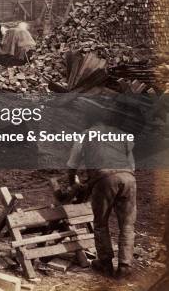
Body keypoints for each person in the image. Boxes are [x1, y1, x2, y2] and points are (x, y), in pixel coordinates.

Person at [66, 98, 137, 279]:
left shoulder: (84, 135)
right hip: (129, 179)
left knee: (100, 222)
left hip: (104, 179)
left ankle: (105, 262)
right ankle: (124, 266)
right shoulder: (123, 135)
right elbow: (131, 165)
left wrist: (72, 183)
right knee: (127, 224)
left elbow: (72, 165)